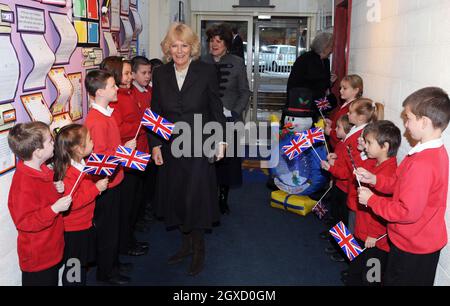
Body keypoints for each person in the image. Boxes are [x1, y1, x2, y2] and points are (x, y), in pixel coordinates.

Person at [150, 22, 227, 276]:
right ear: (167, 48)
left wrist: (221, 141)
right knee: (177, 196)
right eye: (174, 45)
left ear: (192, 47)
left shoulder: (205, 71)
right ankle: (185, 244)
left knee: (197, 196)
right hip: (171, 147)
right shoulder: (160, 74)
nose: (180, 51)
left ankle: (199, 248)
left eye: (184, 45)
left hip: (200, 144)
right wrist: (156, 145)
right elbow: (156, 113)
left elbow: (216, 109)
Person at [357, 87, 450, 286]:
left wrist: (372, 200)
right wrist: (374, 180)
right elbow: (400, 184)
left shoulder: (422, 163)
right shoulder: (429, 152)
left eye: (408, 118)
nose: (405, 125)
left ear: (424, 121)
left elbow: (406, 212)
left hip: (414, 246)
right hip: (416, 241)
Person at [7, 121, 72, 286]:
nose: (53, 143)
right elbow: (25, 222)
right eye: (50, 141)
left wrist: (59, 190)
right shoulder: (23, 183)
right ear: (37, 152)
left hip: (51, 247)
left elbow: (45, 201)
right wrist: (54, 209)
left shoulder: (43, 170)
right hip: (37, 258)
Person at [322, 98, 383, 261]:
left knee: (347, 222)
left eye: (350, 112)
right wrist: (336, 157)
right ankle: (339, 247)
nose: (347, 113)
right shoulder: (356, 130)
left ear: (361, 118)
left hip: (346, 183)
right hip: (343, 183)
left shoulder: (361, 135)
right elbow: (345, 153)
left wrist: (333, 167)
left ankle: (345, 255)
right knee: (340, 218)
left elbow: (353, 165)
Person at [84, 70, 130, 285]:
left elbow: (112, 148)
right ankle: (106, 272)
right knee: (107, 232)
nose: (117, 89)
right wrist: (124, 152)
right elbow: (101, 160)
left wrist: (122, 149)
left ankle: (114, 263)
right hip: (106, 185)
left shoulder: (108, 114)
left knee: (116, 227)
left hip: (116, 180)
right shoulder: (96, 121)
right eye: (113, 86)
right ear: (100, 92)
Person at [100, 56, 148, 258]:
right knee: (126, 207)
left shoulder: (128, 94)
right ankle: (125, 244)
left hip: (137, 154)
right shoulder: (115, 100)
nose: (130, 77)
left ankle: (129, 240)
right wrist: (141, 123)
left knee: (134, 203)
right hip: (126, 159)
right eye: (127, 73)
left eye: (130, 73)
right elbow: (119, 130)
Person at [345, 120, 400, 286]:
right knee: (355, 272)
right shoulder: (375, 162)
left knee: (371, 278)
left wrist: (375, 234)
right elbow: (356, 165)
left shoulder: (389, 172)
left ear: (384, 146)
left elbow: (386, 206)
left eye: (369, 143)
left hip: (376, 241)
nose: (365, 146)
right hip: (363, 231)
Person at [203, 23, 251, 214]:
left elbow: (244, 92)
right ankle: (208, 195)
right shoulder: (201, 62)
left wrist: (234, 112)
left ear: (227, 44)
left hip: (229, 121)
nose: (215, 44)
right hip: (205, 120)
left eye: (219, 41)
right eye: (212, 41)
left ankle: (223, 198)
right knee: (207, 159)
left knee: (228, 162)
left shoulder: (237, 62)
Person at [53, 124, 109, 286]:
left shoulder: (82, 164)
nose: (93, 142)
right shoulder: (68, 173)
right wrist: (96, 189)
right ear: (78, 149)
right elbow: (72, 202)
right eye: (90, 139)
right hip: (74, 231)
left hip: (84, 225)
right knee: (74, 268)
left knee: (81, 266)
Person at [287, 32, 336, 120]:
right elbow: (314, 82)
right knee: (302, 128)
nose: (332, 49)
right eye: (331, 46)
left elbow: (322, 84)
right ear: (325, 46)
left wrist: (330, 82)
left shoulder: (325, 61)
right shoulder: (305, 59)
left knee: (333, 101)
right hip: (302, 103)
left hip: (314, 104)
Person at [325, 75, 364, 149]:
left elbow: (346, 132)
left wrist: (330, 132)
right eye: (340, 88)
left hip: (341, 147)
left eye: (345, 88)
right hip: (336, 146)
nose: (340, 90)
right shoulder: (345, 104)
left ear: (356, 90)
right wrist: (332, 123)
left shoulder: (352, 109)